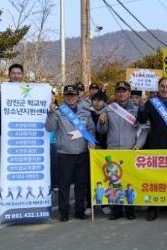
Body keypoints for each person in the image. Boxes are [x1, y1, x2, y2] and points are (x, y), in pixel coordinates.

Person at [137, 78, 167, 221]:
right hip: (155, 145)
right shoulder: (151, 103)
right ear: (158, 88)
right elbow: (141, 120)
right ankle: (153, 209)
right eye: (162, 86)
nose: (165, 89)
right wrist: (142, 106)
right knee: (155, 179)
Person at [46, 84, 95, 222]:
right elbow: (49, 128)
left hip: (82, 153)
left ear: (77, 96)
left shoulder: (85, 112)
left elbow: (91, 128)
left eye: (73, 95)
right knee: (64, 184)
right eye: (67, 95)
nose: (70, 98)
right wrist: (50, 113)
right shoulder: (58, 111)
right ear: (64, 96)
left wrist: (91, 141)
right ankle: (64, 212)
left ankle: (79, 210)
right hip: (64, 153)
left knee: (81, 184)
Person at [98, 81, 140, 220]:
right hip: (113, 150)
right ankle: (116, 210)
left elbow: (145, 130)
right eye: (119, 91)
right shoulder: (109, 109)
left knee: (130, 182)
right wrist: (102, 122)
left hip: (130, 150)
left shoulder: (137, 109)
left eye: (124, 91)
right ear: (115, 93)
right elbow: (101, 131)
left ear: (129, 93)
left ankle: (130, 210)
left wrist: (139, 144)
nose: (121, 93)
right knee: (114, 182)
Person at [0, 63, 24, 179]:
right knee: (3, 159)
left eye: (18, 73)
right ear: (9, 75)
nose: (16, 76)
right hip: (4, 130)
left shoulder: (28, 89)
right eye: (13, 73)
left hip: (23, 130)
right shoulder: (1, 88)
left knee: (20, 160)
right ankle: (1, 190)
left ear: (22, 75)